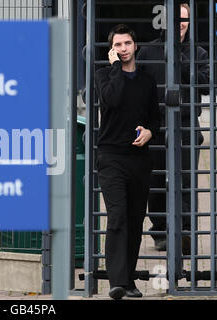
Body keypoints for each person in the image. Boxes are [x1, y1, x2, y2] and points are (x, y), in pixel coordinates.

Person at [137, 3, 209, 253]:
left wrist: (181, 60)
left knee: (186, 181)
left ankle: (186, 234)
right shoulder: (147, 51)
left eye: (185, 19)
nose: (181, 22)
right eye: (176, 18)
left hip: (187, 126)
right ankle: (160, 232)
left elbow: (207, 84)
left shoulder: (197, 53)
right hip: (154, 126)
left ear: (189, 22)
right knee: (155, 179)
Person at [95, 24, 160, 299]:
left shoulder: (147, 82)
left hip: (138, 160)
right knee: (118, 216)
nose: (122, 49)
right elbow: (112, 99)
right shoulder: (103, 76)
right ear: (112, 50)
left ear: (136, 47)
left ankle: (129, 282)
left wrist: (149, 131)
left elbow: (154, 117)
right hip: (111, 157)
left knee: (135, 221)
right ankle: (116, 283)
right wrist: (114, 69)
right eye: (117, 45)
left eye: (126, 44)